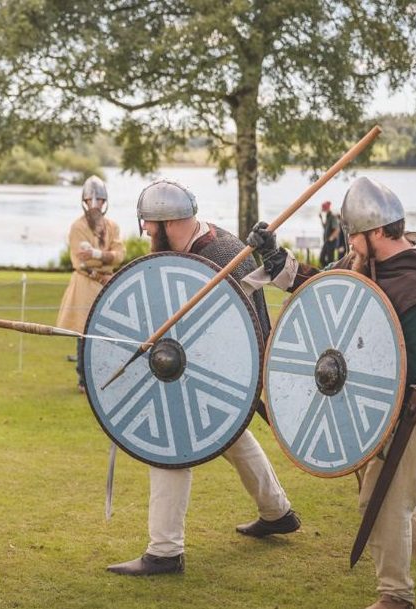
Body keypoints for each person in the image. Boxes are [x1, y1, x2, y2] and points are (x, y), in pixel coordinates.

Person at [247, 176, 416, 609]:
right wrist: (273, 255)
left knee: (383, 498)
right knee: (393, 497)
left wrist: (370, 428)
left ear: (377, 232)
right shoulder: (368, 262)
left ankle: (395, 595)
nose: (349, 242)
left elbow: (403, 374)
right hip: (385, 409)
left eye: (354, 234)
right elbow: (320, 290)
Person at [106, 178, 300, 577]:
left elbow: (229, 328)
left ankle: (164, 551)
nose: (144, 231)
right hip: (217, 368)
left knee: (169, 441)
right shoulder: (195, 248)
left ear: (167, 222)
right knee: (231, 435)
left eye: (147, 224)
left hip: (231, 367)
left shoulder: (221, 253)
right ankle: (276, 511)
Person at [55, 175, 125, 391]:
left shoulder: (112, 226)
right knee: (84, 332)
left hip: (106, 283)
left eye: (99, 201)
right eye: (91, 201)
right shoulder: (78, 227)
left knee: (107, 331)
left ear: (105, 202)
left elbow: (120, 255)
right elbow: (81, 262)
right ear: (84, 202)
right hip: (86, 283)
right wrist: (105, 259)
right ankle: (84, 380)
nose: (95, 205)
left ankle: (105, 376)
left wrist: (96, 254)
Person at [319, 200, 346, 266]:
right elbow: (325, 227)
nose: (322, 209)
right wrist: (321, 218)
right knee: (322, 259)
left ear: (326, 208)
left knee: (330, 260)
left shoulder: (332, 216)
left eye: (323, 207)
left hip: (331, 243)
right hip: (327, 242)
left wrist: (331, 238)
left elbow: (337, 230)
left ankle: (329, 272)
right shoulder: (328, 217)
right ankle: (327, 271)